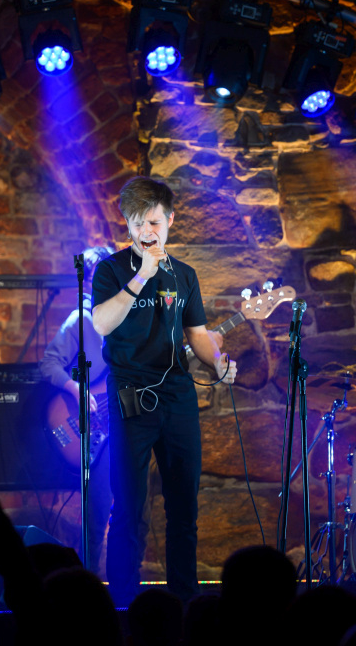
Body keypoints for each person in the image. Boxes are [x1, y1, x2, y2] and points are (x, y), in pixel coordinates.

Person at [92, 176, 237, 606]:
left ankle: (185, 605)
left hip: (176, 396)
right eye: (137, 224)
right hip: (129, 396)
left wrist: (218, 363)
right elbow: (101, 324)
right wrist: (141, 277)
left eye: (153, 222)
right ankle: (123, 605)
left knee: (183, 510)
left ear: (170, 221)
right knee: (129, 507)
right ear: (127, 225)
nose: (145, 232)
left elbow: (197, 335)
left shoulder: (185, 275)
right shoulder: (111, 270)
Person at [38, 245, 115, 575]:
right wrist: (77, 389)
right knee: (96, 518)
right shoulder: (81, 320)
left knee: (127, 515)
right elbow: (48, 363)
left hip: (122, 426)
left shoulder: (127, 321)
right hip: (91, 430)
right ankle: (87, 588)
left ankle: (120, 591)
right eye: (96, 274)